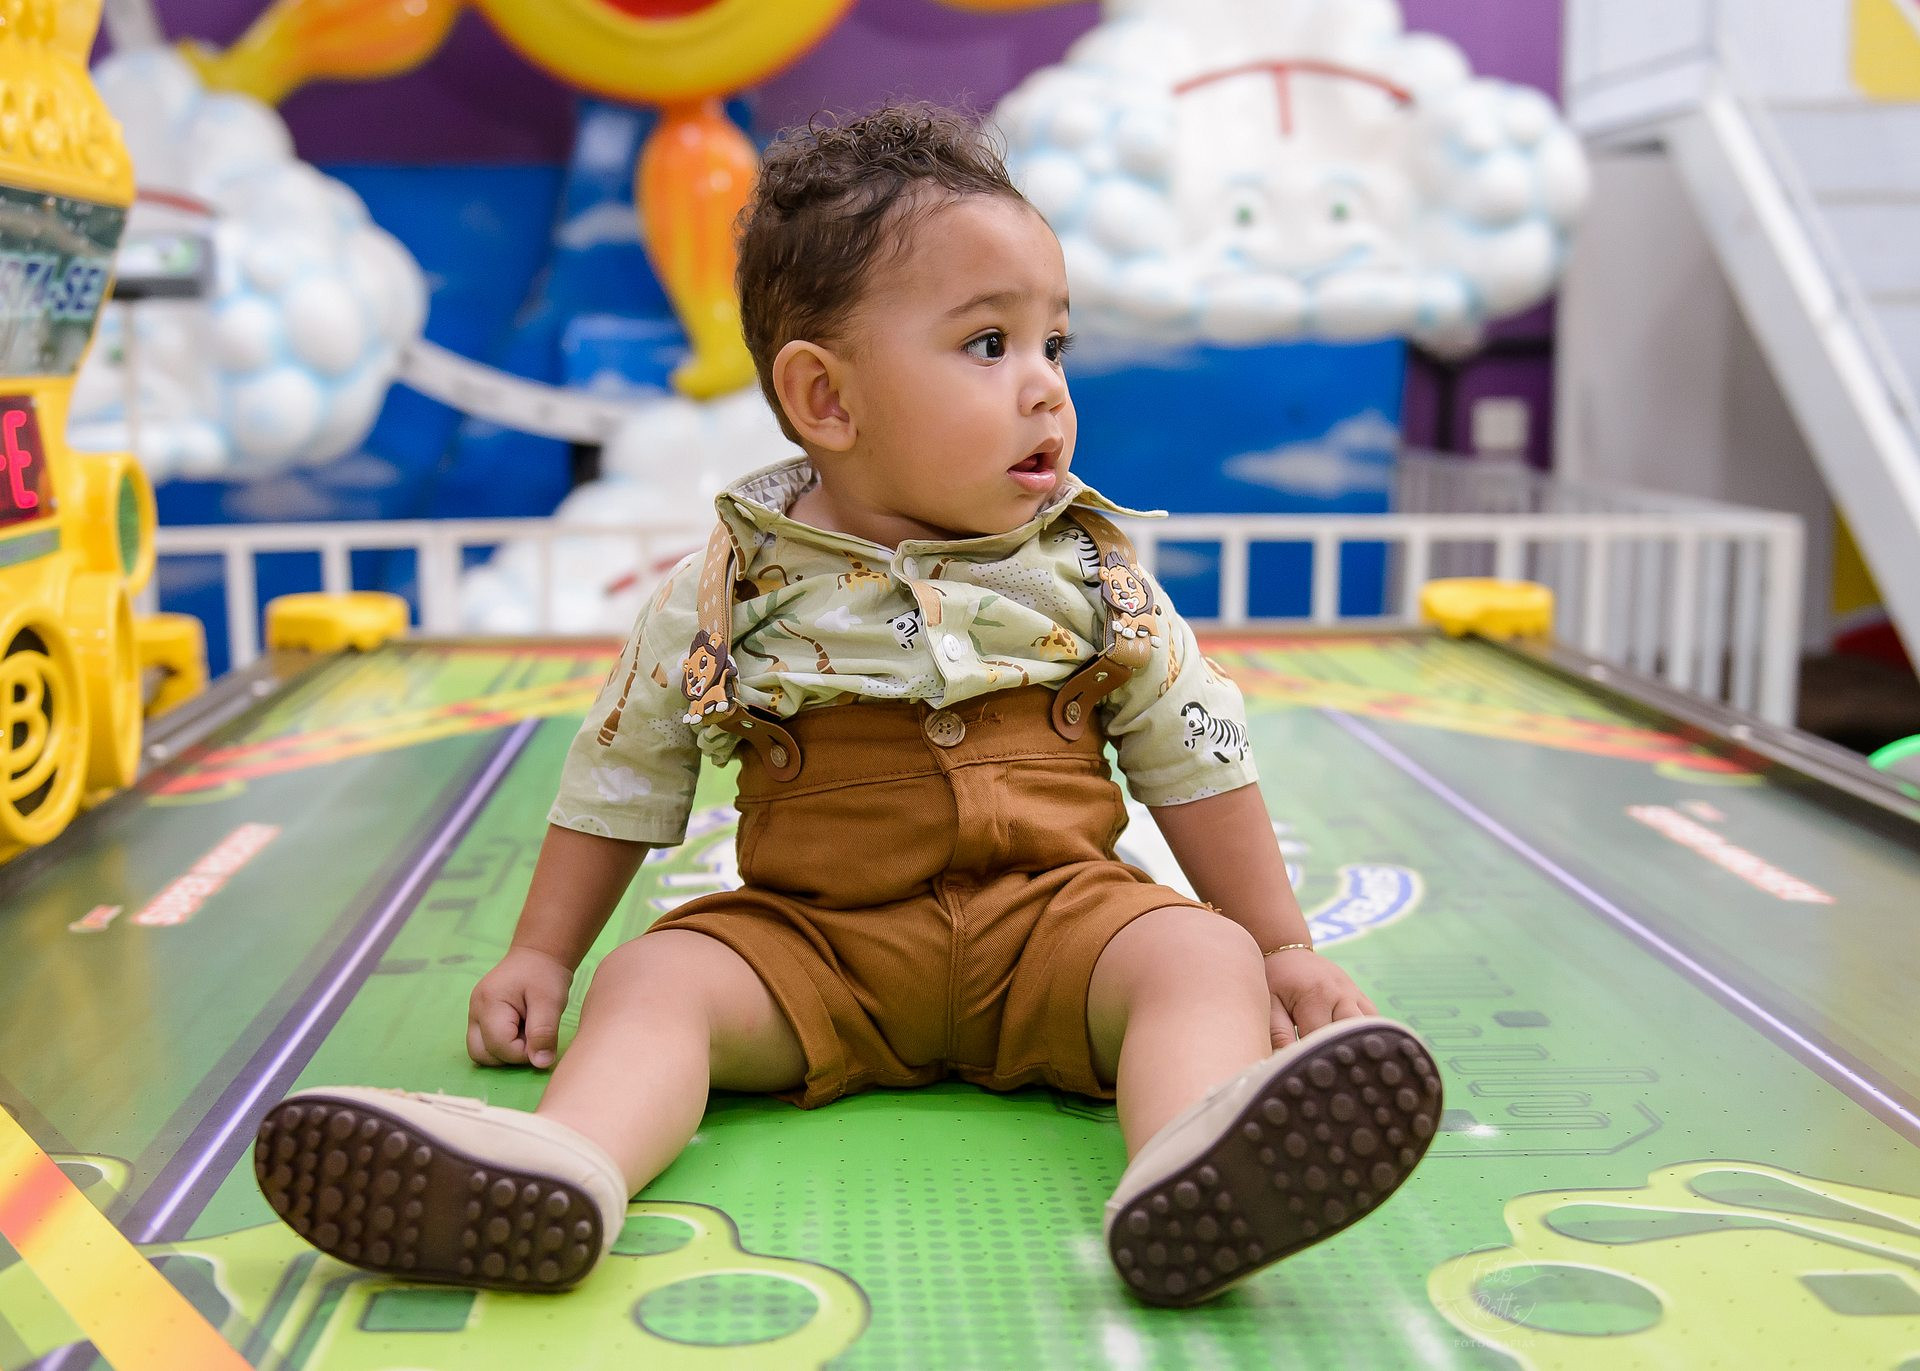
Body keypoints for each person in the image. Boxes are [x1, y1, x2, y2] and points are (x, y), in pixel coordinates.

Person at [253, 104, 1441, 1309]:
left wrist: (1281, 947)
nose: (1045, 387)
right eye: (990, 344)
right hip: (817, 948)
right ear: (826, 398)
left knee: (1201, 957)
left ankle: (1195, 1162)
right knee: (653, 984)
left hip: (1060, 931)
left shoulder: (1094, 578)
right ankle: (563, 1169)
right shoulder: (726, 591)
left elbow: (1197, 760)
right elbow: (622, 775)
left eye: (1055, 344)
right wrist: (543, 953)